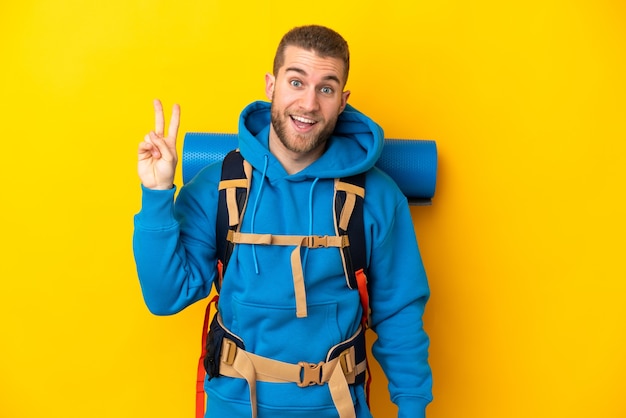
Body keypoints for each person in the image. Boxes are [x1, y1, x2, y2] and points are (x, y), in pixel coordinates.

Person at [133, 25, 432, 418]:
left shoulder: (376, 195)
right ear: (271, 86)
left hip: (336, 407)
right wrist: (157, 195)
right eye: (296, 82)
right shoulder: (219, 187)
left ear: (342, 101)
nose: (308, 104)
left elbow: (400, 313)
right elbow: (165, 297)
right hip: (234, 406)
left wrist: (412, 409)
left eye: (325, 88)